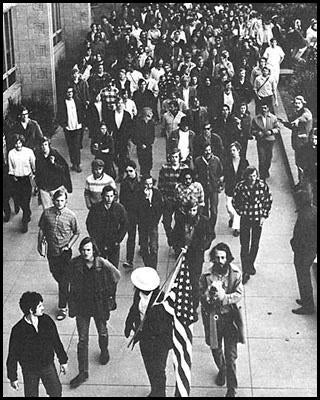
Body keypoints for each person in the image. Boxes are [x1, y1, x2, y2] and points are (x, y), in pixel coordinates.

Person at [68, 237, 121, 389]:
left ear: (94, 250)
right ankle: (82, 372)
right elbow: (68, 281)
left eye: (89, 250)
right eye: (83, 250)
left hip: (99, 305)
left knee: (102, 332)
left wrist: (109, 294)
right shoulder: (75, 263)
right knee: (82, 340)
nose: (86, 253)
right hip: (82, 307)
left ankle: (104, 351)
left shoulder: (102, 263)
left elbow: (116, 276)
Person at [199, 243, 244, 398]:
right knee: (215, 349)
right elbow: (200, 294)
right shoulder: (206, 275)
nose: (220, 261)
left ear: (228, 258)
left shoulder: (236, 274)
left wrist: (225, 298)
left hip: (230, 319)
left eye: (223, 257)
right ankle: (222, 369)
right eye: (217, 257)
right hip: (214, 318)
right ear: (213, 258)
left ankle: (232, 389)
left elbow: (238, 294)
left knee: (231, 356)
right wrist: (207, 295)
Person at [6, 291, 68, 397]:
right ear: (31, 310)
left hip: (47, 365)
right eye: (40, 306)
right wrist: (13, 377)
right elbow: (13, 355)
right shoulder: (18, 330)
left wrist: (63, 361)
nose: (43, 308)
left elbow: (56, 342)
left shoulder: (46, 321)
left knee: (56, 392)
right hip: (30, 370)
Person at [124, 267, 172, 397]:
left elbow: (163, 326)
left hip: (159, 342)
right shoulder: (138, 295)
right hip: (144, 339)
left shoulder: (161, 300)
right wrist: (128, 325)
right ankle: (154, 390)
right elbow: (134, 309)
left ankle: (160, 393)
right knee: (149, 366)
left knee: (159, 370)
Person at [38, 189, 80, 320]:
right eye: (57, 200)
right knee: (55, 274)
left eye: (62, 200)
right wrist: (39, 244)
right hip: (52, 251)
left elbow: (77, 232)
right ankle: (67, 287)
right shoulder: (46, 214)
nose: (59, 203)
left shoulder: (71, 216)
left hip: (64, 253)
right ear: (53, 201)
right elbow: (42, 229)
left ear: (66, 201)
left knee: (62, 281)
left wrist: (69, 245)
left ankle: (62, 307)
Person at [86, 185, 128, 310]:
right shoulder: (96, 209)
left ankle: (111, 298)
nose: (109, 199)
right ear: (102, 196)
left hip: (113, 245)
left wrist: (118, 240)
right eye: (107, 196)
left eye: (111, 196)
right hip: (99, 245)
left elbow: (125, 224)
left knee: (112, 271)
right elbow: (89, 224)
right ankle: (101, 296)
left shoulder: (119, 208)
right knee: (100, 270)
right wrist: (94, 240)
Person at [172, 196, 215, 316]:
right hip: (183, 255)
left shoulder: (203, 221)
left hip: (196, 256)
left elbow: (211, 235)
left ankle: (194, 307)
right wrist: (178, 246)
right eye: (190, 210)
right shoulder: (181, 220)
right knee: (182, 281)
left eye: (194, 210)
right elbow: (175, 235)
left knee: (194, 282)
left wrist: (204, 246)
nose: (192, 213)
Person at [232, 166, 273, 284]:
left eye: (254, 176)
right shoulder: (241, 186)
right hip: (245, 218)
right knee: (244, 244)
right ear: (246, 176)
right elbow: (235, 201)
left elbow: (268, 201)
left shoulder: (262, 186)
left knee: (255, 244)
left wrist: (263, 216)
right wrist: (241, 211)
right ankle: (245, 269)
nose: (253, 178)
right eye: (250, 176)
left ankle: (250, 264)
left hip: (257, 219)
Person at [290, 190, 317, 315]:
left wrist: (293, 244)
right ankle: (306, 301)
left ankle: (308, 305)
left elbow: (300, 236)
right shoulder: (313, 211)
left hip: (303, 252)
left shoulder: (305, 216)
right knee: (305, 277)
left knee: (303, 278)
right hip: (310, 250)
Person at [279, 95, 313, 187]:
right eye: (295, 103)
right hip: (297, 145)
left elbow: (306, 117)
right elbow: (294, 127)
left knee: (303, 165)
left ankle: (304, 185)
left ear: (303, 103)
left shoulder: (306, 113)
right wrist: (284, 123)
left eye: (299, 103)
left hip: (304, 146)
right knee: (298, 164)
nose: (297, 105)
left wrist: (298, 120)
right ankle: (300, 183)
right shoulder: (297, 113)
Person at [158, 147, 189, 247]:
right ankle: (170, 237)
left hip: (180, 201)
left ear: (179, 157)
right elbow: (160, 185)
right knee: (166, 222)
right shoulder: (165, 168)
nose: (174, 159)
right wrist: (164, 198)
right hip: (168, 200)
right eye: (172, 157)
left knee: (179, 224)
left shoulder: (184, 168)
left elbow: (188, 184)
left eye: (176, 157)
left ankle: (177, 245)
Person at [8, 134, 36, 233]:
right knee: (19, 200)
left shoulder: (28, 152)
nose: (18, 145)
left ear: (22, 142)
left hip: (26, 180)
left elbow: (34, 164)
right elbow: (11, 168)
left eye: (19, 142)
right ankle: (27, 211)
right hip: (16, 180)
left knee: (26, 199)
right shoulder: (11, 153)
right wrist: (13, 177)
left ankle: (25, 221)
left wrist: (34, 174)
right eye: (16, 143)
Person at [35, 137, 72, 210]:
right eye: (42, 145)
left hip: (56, 186)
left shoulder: (54, 154)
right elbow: (38, 171)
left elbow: (64, 168)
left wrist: (54, 164)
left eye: (45, 144)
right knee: (47, 210)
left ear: (49, 145)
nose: (44, 147)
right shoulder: (39, 156)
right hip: (45, 188)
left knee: (60, 207)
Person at [194, 142, 224, 231]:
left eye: (209, 150)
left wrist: (220, 185)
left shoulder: (216, 160)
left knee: (214, 211)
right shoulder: (198, 161)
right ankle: (207, 228)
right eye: (206, 150)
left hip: (214, 189)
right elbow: (195, 175)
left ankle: (212, 227)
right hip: (203, 190)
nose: (207, 152)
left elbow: (221, 174)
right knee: (204, 210)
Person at [137, 175, 163, 270]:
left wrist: (156, 220)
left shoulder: (157, 193)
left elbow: (160, 208)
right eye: (146, 184)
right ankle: (147, 266)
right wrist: (146, 199)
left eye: (151, 184)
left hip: (153, 224)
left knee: (154, 247)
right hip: (143, 224)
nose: (148, 186)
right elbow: (138, 209)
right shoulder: (139, 194)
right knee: (144, 247)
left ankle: (153, 268)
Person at [223, 142, 249, 237]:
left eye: (234, 150)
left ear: (238, 150)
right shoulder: (227, 162)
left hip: (240, 189)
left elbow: (247, 175)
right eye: (231, 151)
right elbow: (224, 173)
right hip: (229, 188)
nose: (232, 152)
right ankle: (232, 218)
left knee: (238, 208)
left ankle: (236, 228)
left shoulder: (244, 162)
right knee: (229, 207)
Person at [119, 160, 141, 269]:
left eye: (131, 171)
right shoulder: (124, 183)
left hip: (141, 213)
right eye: (127, 171)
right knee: (131, 237)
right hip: (130, 214)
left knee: (143, 234)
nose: (129, 173)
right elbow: (122, 200)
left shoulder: (141, 181)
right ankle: (129, 259)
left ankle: (142, 246)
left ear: (135, 170)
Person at [105, 96, 133, 181]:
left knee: (123, 157)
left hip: (124, 140)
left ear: (123, 104)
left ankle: (121, 174)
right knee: (113, 156)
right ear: (115, 104)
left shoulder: (127, 115)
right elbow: (109, 126)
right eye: (118, 103)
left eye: (121, 103)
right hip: (114, 140)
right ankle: (118, 169)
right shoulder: (111, 114)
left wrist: (129, 138)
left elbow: (130, 127)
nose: (119, 105)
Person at [58, 86, 85, 173]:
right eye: (68, 92)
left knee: (76, 146)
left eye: (71, 92)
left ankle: (77, 164)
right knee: (71, 146)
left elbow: (82, 111)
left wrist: (81, 122)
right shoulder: (63, 103)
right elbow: (60, 115)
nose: (69, 94)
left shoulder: (77, 101)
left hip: (77, 127)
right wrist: (63, 125)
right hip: (68, 128)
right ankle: (73, 163)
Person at [251, 101, 280, 180]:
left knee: (268, 158)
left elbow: (278, 128)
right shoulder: (256, 119)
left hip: (270, 141)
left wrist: (271, 132)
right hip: (261, 141)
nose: (264, 110)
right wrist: (257, 133)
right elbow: (252, 130)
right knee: (262, 159)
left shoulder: (273, 118)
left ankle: (266, 170)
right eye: (262, 108)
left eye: (265, 108)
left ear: (268, 108)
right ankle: (262, 177)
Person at [132, 107, 155, 176]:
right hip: (140, 147)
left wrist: (149, 143)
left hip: (148, 146)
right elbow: (134, 136)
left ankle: (148, 175)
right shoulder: (137, 123)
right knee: (142, 163)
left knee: (149, 163)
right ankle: (144, 176)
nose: (152, 114)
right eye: (150, 113)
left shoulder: (151, 123)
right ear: (146, 114)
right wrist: (140, 144)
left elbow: (152, 135)